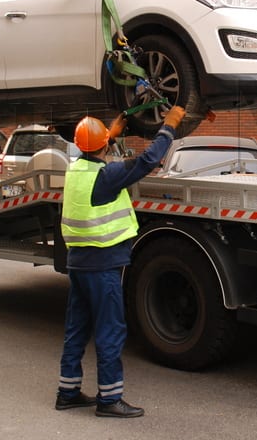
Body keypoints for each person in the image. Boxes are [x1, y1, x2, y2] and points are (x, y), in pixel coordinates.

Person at [55, 105, 186, 418]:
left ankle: (68, 392)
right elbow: (147, 160)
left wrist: (110, 135)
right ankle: (109, 399)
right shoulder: (107, 176)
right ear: (101, 146)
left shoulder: (76, 169)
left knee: (77, 329)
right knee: (110, 331)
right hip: (102, 266)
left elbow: (93, 152)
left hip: (79, 264)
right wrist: (168, 127)